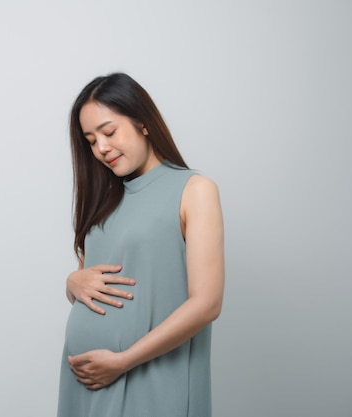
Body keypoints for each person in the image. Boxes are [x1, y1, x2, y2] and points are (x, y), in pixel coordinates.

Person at [57, 73, 224, 417]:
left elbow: (207, 304)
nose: (101, 148)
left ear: (142, 122)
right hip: (86, 381)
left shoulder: (194, 189)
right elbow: (88, 281)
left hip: (149, 375)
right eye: (90, 140)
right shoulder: (104, 198)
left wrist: (121, 361)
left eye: (109, 131)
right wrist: (72, 283)